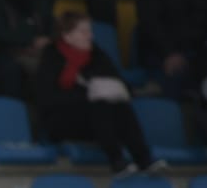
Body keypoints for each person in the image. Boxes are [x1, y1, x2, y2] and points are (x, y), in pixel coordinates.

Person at [33, 11, 159, 176]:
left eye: (89, 31)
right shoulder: (51, 57)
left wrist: (106, 90)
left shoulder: (97, 55)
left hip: (98, 121)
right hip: (63, 119)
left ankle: (143, 160)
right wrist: (89, 95)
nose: (90, 36)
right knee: (100, 105)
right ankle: (117, 160)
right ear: (67, 36)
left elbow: (118, 82)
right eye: (83, 32)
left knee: (119, 105)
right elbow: (47, 98)